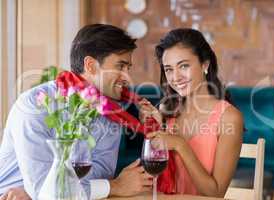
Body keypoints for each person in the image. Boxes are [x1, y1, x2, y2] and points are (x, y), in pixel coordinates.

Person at [0, 24, 153, 200]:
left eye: (128, 68)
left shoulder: (111, 113)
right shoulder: (35, 105)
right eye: (120, 66)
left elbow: (100, 173)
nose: (127, 77)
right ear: (91, 65)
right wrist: (115, 186)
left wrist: (35, 191)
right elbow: (43, 190)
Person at [139, 28, 244, 197]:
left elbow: (215, 193)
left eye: (184, 66)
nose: (175, 77)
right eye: (169, 69)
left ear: (205, 64)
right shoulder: (166, 112)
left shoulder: (229, 118)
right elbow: (158, 178)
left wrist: (180, 145)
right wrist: (154, 126)